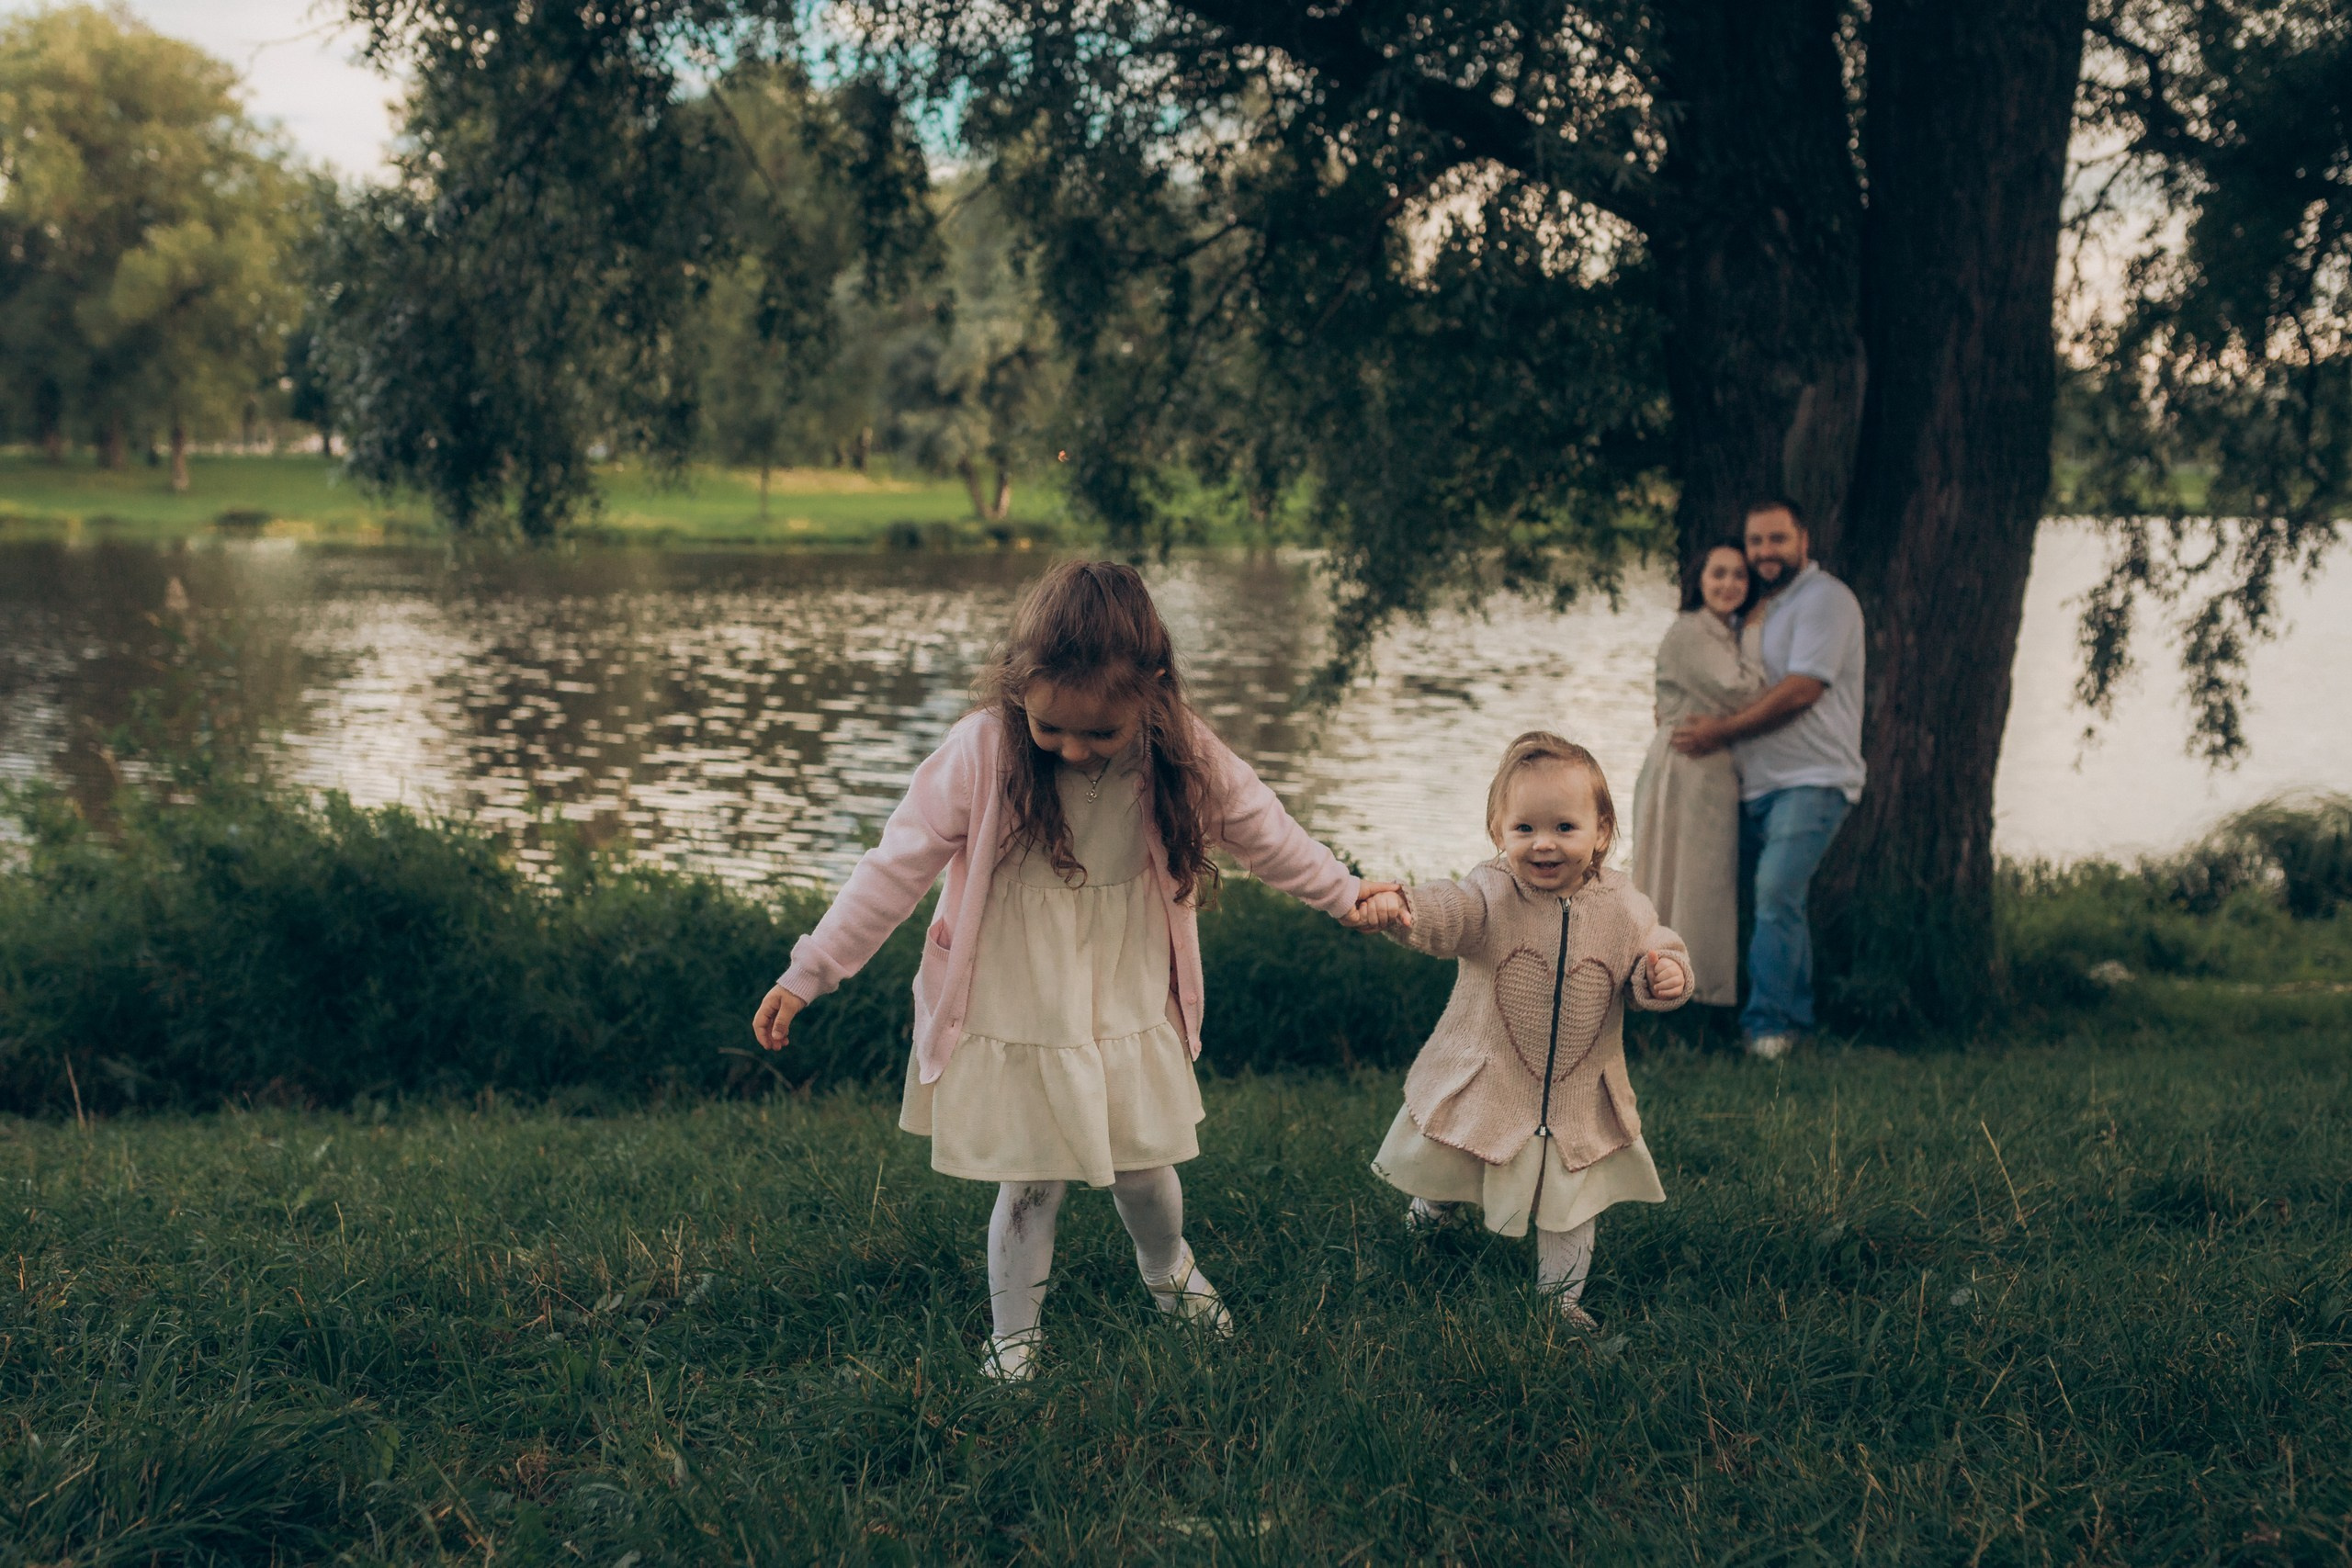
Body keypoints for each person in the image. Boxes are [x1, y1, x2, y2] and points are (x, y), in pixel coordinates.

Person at [750, 560, 1402, 1382]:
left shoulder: (1182, 751)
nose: (1071, 747)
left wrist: (1343, 893)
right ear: (1019, 687)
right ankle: (1014, 1336)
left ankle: (1168, 1269)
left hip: (1123, 984)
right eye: (1051, 726)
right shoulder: (984, 750)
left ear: (1153, 692)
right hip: (1021, 990)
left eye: (1100, 732)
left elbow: (1263, 830)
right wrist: (809, 971)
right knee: (1033, 1175)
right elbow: (894, 867)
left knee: (1145, 1161)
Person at [1363, 732, 1690, 1330]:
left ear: (1602, 831)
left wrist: (1663, 971)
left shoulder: (1622, 903)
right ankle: (1425, 1227)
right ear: (1498, 832)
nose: (1544, 843)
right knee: (1453, 1164)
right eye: (1524, 829)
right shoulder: (1489, 892)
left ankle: (1559, 1301)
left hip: (1578, 1094)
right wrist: (1404, 909)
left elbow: (1653, 944)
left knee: (1573, 1200)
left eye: (1565, 826)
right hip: (1489, 1079)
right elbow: (1449, 913)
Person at [1671, 498, 1866, 1060]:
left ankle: (1768, 1030)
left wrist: (1721, 731)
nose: (1765, 553)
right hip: (1751, 783)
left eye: (1777, 540)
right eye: (1756, 542)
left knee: (1776, 892)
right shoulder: (1754, 608)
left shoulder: (1826, 600)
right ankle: (1786, 1018)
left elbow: (1804, 688)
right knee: (1772, 900)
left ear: (1804, 539)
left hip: (1813, 778)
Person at [1629, 540, 1766, 1010]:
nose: (1729, 585)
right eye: (1719, 574)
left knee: (1703, 882)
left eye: (1739, 577)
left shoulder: (1720, 632)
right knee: (1687, 879)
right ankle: (1685, 993)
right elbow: (1745, 693)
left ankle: (1691, 991)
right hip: (1685, 771)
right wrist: (1756, 634)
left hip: (1705, 769)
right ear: (1700, 580)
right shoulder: (1691, 633)